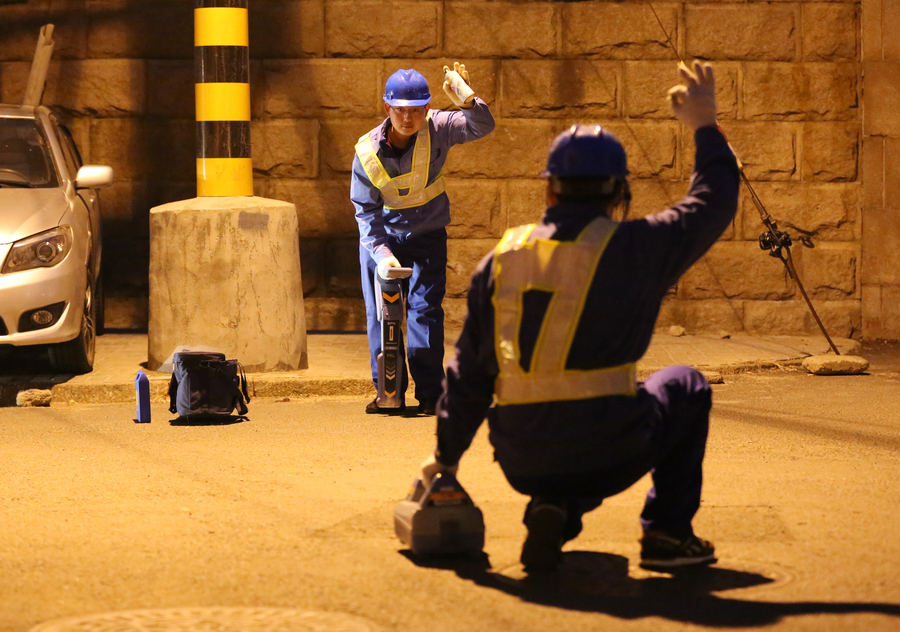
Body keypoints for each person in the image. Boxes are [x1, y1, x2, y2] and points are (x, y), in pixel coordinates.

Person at [418, 61, 740, 572]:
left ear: (549, 189)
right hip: (610, 447)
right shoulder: (636, 247)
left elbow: (469, 376)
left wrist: (446, 459)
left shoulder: (500, 260)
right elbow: (713, 201)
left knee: (563, 443)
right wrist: (705, 126)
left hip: (521, 457)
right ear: (618, 193)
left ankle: (556, 506)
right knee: (685, 386)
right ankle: (666, 535)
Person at [351, 64, 495, 416]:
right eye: (400, 109)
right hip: (381, 240)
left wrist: (467, 98)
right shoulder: (366, 153)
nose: (409, 117)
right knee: (380, 315)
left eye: (416, 110)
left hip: (427, 236)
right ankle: (389, 391)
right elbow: (366, 213)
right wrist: (382, 255)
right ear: (388, 108)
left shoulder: (439, 126)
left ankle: (430, 392)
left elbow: (482, 126)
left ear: (426, 109)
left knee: (425, 312)